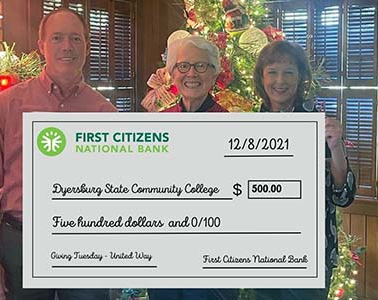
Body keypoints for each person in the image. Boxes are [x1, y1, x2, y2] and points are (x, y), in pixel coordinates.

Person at [0, 8, 117, 300]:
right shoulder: (7, 105)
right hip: (20, 244)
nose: (67, 47)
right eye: (57, 38)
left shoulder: (105, 112)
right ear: (41, 46)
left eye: (76, 38)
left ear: (86, 45)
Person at [252, 40, 356, 300]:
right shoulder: (250, 127)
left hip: (309, 252)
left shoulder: (320, 125)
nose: (280, 80)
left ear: (300, 78)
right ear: (262, 78)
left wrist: (336, 147)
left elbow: (343, 196)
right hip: (262, 252)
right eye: (272, 72)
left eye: (289, 72)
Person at [146, 36, 238, 300]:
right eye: (183, 66)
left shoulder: (231, 127)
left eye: (201, 66)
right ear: (172, 73)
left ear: (214, 74)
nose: (191, 74)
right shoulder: (159, 123)